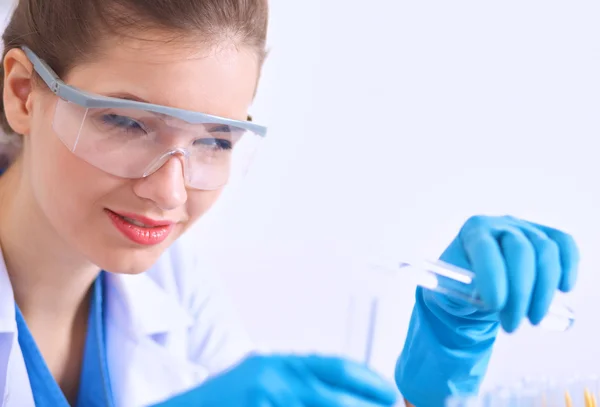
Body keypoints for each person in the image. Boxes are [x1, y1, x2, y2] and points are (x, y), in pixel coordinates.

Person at [0, 0, 579, 406]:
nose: (170, 192)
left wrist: (436, 381)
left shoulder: (176, 288)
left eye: (214, 140)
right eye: (126, 123)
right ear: (23, 93)